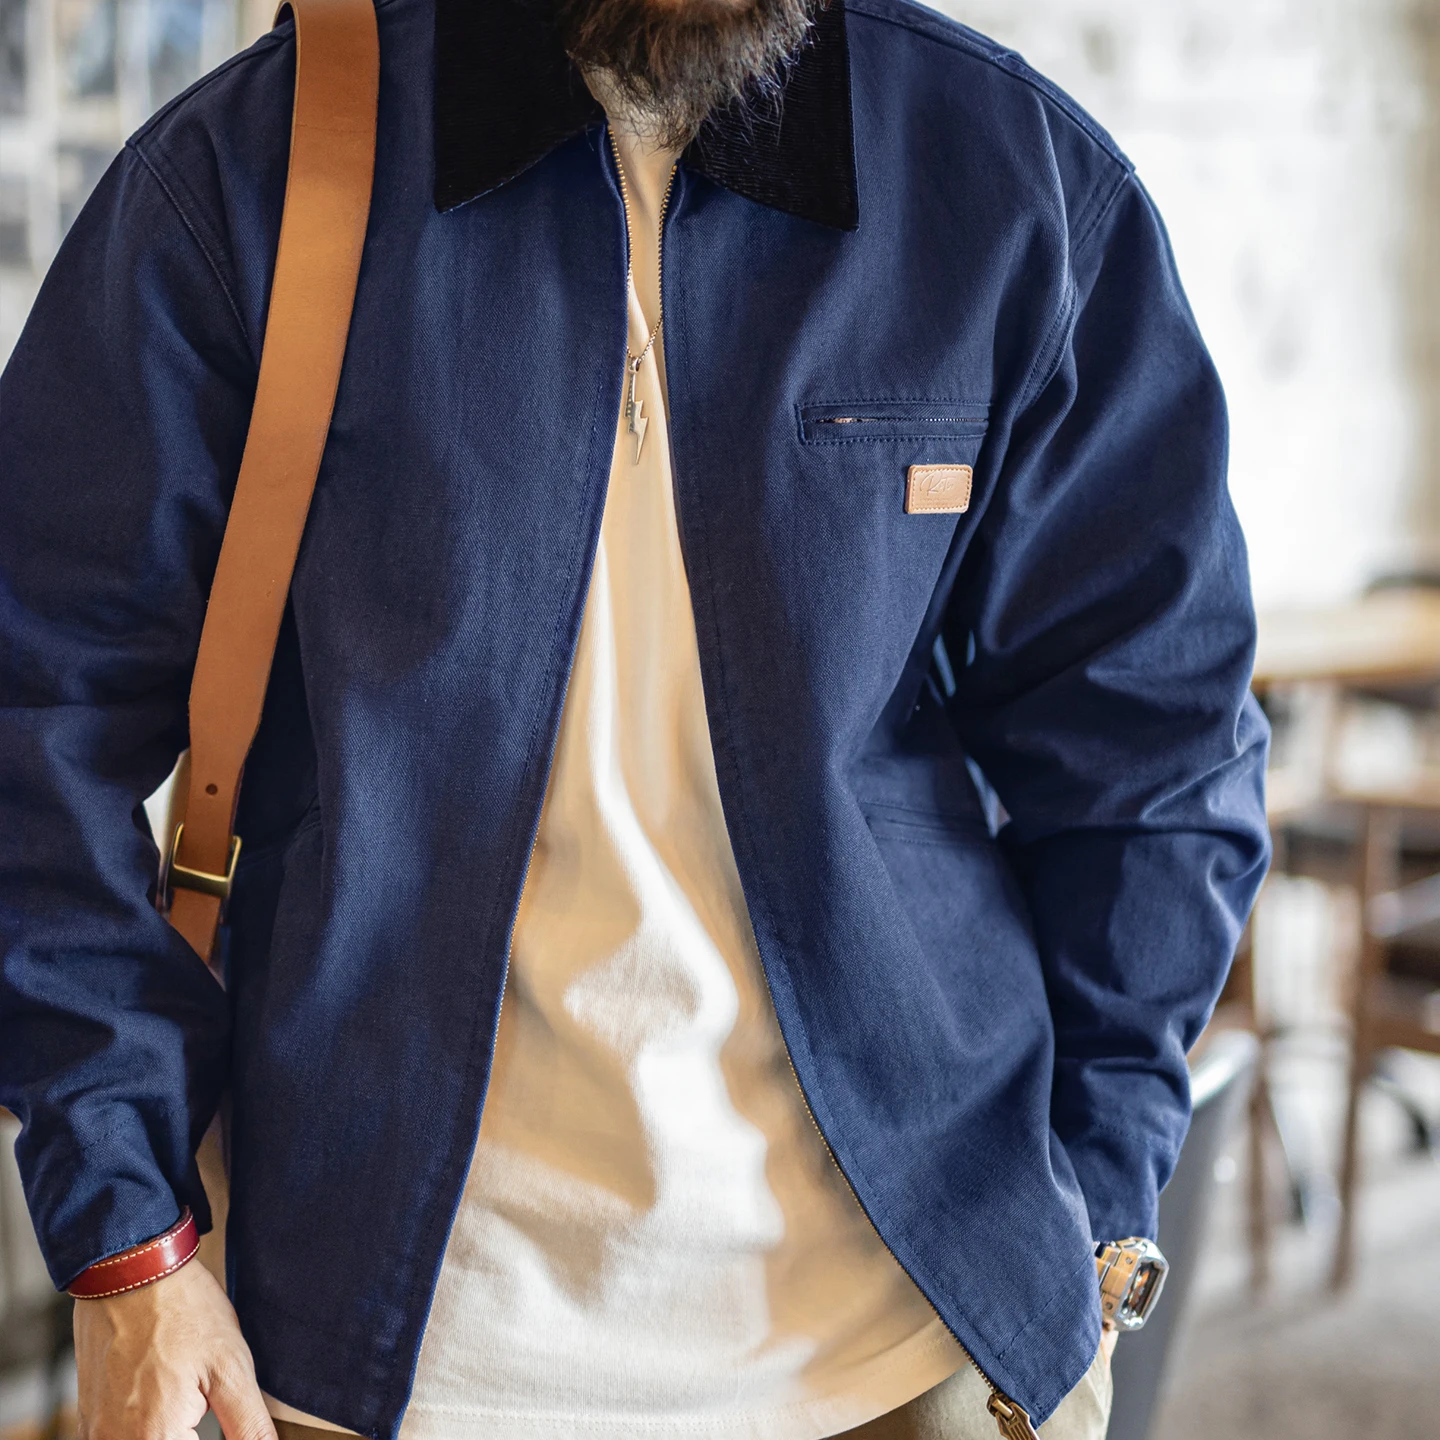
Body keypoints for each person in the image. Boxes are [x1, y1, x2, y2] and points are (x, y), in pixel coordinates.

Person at [0, 0, 1270, 1437]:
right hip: (370, 1362)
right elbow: (32, 725)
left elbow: (1158, 749)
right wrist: (128, 1238)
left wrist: (1093, 1203)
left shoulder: (1005, 178)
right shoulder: (248, 172)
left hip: (917, 1346)